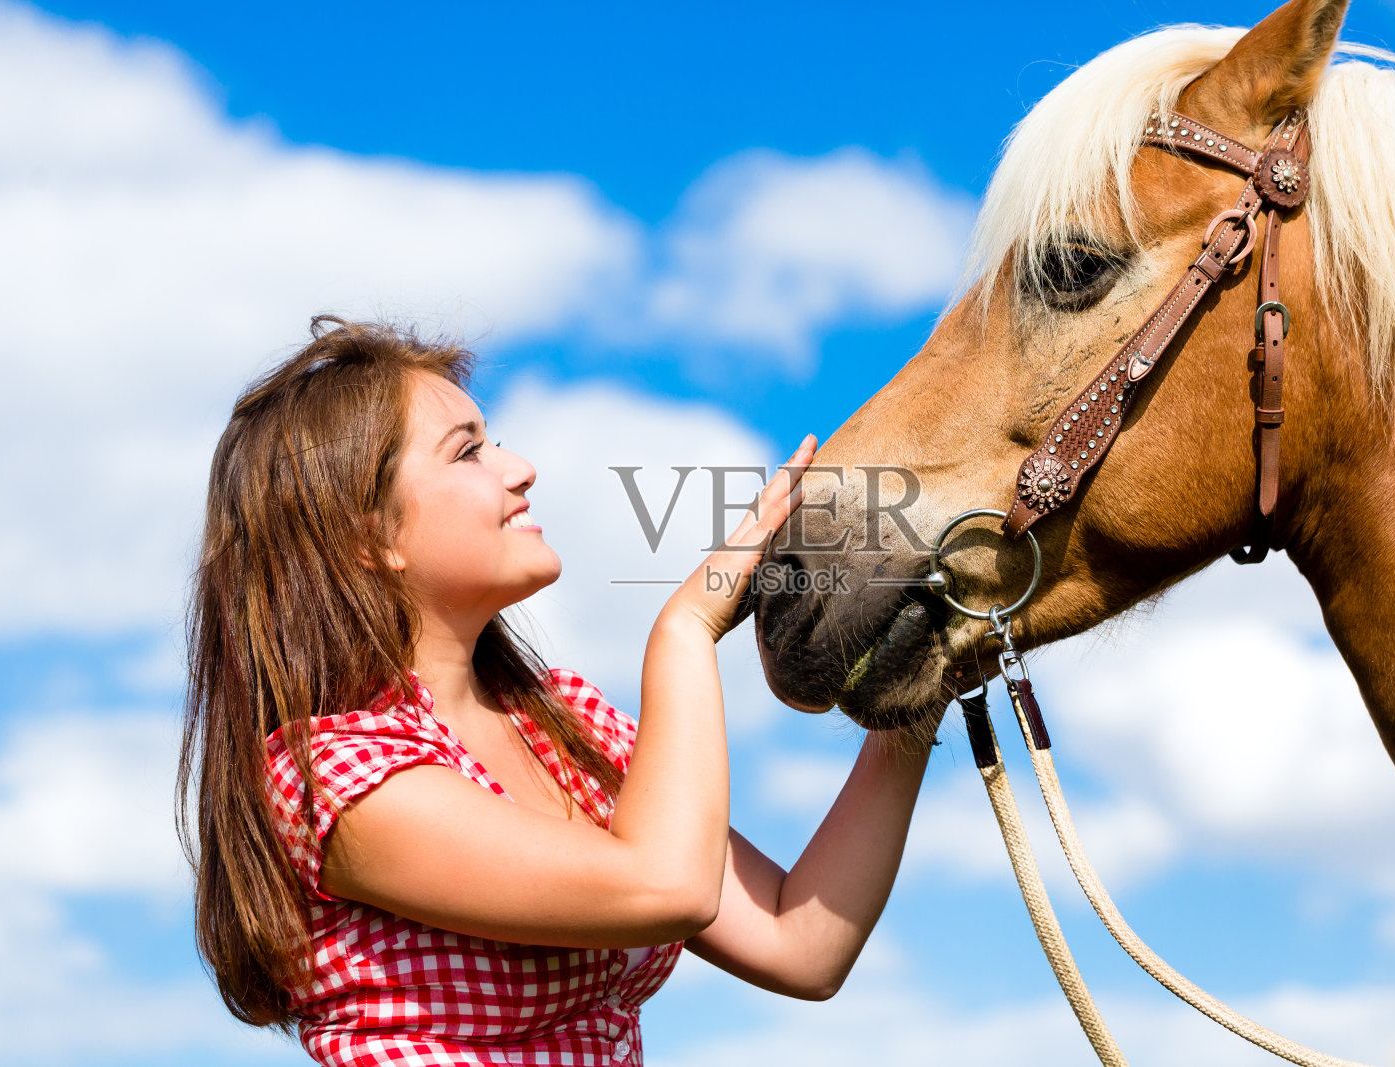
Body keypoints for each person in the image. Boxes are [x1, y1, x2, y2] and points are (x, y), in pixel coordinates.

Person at [176, 316, 942, 1066]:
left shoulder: (569, 726)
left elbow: (797, 943)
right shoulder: (333, 776)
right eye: (468, 452)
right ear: (370, 537)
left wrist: (922, 681)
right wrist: (684, 629)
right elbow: (665, 887)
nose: (518, 469)